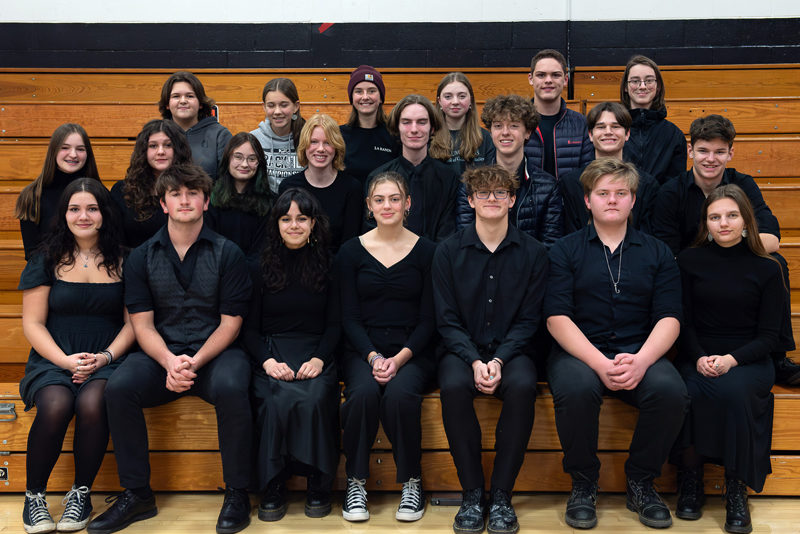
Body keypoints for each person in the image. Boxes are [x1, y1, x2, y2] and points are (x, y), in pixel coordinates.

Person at [88, 164, 253, 534]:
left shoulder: (229, 253)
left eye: (192, 193)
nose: (184, 200)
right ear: (163, 203)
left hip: (216, 353)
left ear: (206, 201)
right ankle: (137, 494)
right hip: (161, 353)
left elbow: (231, 324)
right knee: (118, 387)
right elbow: (141, 325)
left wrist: (192, 362)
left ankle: (238, 492)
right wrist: (168, 362)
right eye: (175, 194)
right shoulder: (141, 257)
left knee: (232, 385)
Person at [545, 158, 688, 529]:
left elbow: (669, 318)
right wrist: (598, 363)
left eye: (620, 193)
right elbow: (557, 317)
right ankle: (583, 482)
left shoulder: (658, 252)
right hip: (580, 351)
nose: (612, 200)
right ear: (588, 200)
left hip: (640, 349)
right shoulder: (563, 250)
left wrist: (641, 361)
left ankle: (641, 481)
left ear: (633, 201)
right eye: (603, 193)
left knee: (671, 391)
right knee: (576, 389)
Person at [434, 165, 548, 534]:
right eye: (484, 193)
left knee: (522, 386)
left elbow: (530, 320)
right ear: (470, 200)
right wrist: (473, 360)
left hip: (513, 352)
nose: (493, 199)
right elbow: (446, 319)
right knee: (452, 386)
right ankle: (471, 494)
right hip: (461, 350)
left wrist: (498, 360)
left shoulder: (533, 252)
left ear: (513, 200)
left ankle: (500, 494)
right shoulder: (448, 252)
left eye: (501, 193)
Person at [19, 178, 134, 533]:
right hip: (54, 355)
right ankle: (34, 496)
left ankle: (80, 492)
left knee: (93, 402)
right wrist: (65, 362)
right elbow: (33, 324)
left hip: (107, 356)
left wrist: (105, 357)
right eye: (74, 209)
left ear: (104, 213)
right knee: (55, 404)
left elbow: (134, 325)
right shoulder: (45, 258)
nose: (83, 216)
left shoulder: (126, 259)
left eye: (91, 208)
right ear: (64, 214)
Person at [652, 114, 800, 386]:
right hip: (691, 270)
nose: (711, 159)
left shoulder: (742, 184)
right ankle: (686, 348)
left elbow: (770, 238)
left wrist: (726, 248)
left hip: (738, 262)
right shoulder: (671, 192)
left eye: (720, 152)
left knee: (775, 262)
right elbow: (666, 251)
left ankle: (777, 356)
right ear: (690, 151)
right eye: (703, 151)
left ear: (731, 153)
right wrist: (707, 258)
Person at [674, 185, 782, 534]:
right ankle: (691, 480)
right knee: (687, 391)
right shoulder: (688, 261)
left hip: (748, 358)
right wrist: (701, 357)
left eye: (731, 215)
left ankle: (736, 488)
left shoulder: (767, 267)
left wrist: (732, 360)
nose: (724, 223)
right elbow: (684, 321)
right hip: (699, 352)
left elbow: (769, 337)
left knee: (735, 394)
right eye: (715, 217)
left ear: (746, 220)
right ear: (705, 223)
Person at [338, 171, 437, 523]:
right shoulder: (351, 252)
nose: (387, 205)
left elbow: (429, 318)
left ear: (407, 203)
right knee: (362, 395)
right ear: (369, 206)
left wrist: (399, 358)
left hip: (413, 352)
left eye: (395, 198)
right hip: (362, 350)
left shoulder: (428, 251)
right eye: (379, 199)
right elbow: (348, 317)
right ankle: (356, 481)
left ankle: (412, 480)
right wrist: (374, 357)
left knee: (399, 396)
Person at [242, 188, 340, 522]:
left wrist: (320, 360)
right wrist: (268, 362)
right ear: (277, 223)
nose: (294, 225)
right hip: (272, 351)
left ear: (314, 223)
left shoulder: (330, 263)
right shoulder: (258, 266)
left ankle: (317, 481)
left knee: (315, 397)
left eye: (302, 218)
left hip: (316, 352)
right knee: (274, 400)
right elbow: (249, 330)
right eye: (286, 219)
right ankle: (274, 483)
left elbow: (336, 324)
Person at [471, 94, 562, 246]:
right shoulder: (472, 182)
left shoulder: (548, 187)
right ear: (491, 132)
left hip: (531, 267)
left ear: (527, 132)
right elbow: (466, 239)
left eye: (514, 125)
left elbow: (550, 244)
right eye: (498, 126)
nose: (505, 132)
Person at [367, 94, 459, 242]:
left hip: (436, 261)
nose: (414, 129)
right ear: (397, 127)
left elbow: (447, 233)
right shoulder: (377, 177)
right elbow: (371, 230)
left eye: (422, 122)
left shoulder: (448, 178)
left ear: (432, 128)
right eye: (406, 122)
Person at [560, 102, 659, 234]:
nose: (608, 132)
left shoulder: (647, 184)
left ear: (627, 133)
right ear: (590, 135)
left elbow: (646, 238)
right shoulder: (571, 183)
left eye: (615, 126)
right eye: (601, 127)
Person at [16, 123, 101, 259]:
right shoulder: (32, 196)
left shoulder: (100, 194)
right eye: (64, 148)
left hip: (95, 272)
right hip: (50, 275)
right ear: (53, 151)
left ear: (87, 154)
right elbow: (32, 254)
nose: (73, 154)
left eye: (80, 149)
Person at [279, 114, 363, 252]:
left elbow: (350, 244)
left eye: (328, 142)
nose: (320, 149)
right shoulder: (288, 186)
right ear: (304, 145)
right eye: (313, 142)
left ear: (336, 147)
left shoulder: (352, 188)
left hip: (337, 267)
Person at [110, 119, 193, 248]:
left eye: (168, 145)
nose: (160, 151)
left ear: (178, 150)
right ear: (144, 151)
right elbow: (116, 241)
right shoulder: (122, 190)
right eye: (153, 146)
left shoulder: (193, 189)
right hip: (134, 264)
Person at [525, 49, 593, 178]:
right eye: (541, 75)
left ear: (566, 80)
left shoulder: (582, 124)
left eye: (556, 75)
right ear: (531, 79)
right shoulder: (518, 122)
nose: (548, 80)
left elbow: (587, 173)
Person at [620, 55, 687, 185]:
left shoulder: (673, 134)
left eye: (649, 80)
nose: (642, 86)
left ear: (658, 86)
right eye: (635, 81)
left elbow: (674, 184)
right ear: (625, 87)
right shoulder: (614, 129)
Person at [207, 132, 273, 259]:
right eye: (238, 157)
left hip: (254, 274)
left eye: (252, 159)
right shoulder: (211, 199)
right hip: (218, 271)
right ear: (227, 159)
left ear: (259, 163)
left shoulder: (269, 203)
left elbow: (262, 252)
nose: (244, 164)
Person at [158, 70, 232, 180]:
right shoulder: (156, 134)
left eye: (190, 96)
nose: (183, 101)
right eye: (176, 96)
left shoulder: (220, 135)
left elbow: (227, 183)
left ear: (200, 103)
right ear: (167, 104)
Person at [339, 65, 398, 187]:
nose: (365, 97)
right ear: (352, 98)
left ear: (381, 97)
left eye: (372, 91)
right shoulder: (339, 135)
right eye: (359, 91)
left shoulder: (395, 134)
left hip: (385, 204)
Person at [429, 72, 495, 176]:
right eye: (448, 96)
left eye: (462, 96)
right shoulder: (428, 137)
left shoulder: (485, 138)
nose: (455, 101)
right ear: (439, 101)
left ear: (471, 100)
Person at [251, 77, 306, 193]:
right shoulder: (253, 139)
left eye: (284, 105)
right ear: (264, 107)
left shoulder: (308, 137)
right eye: (271, 105)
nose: (277, 111)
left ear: (296, 106)